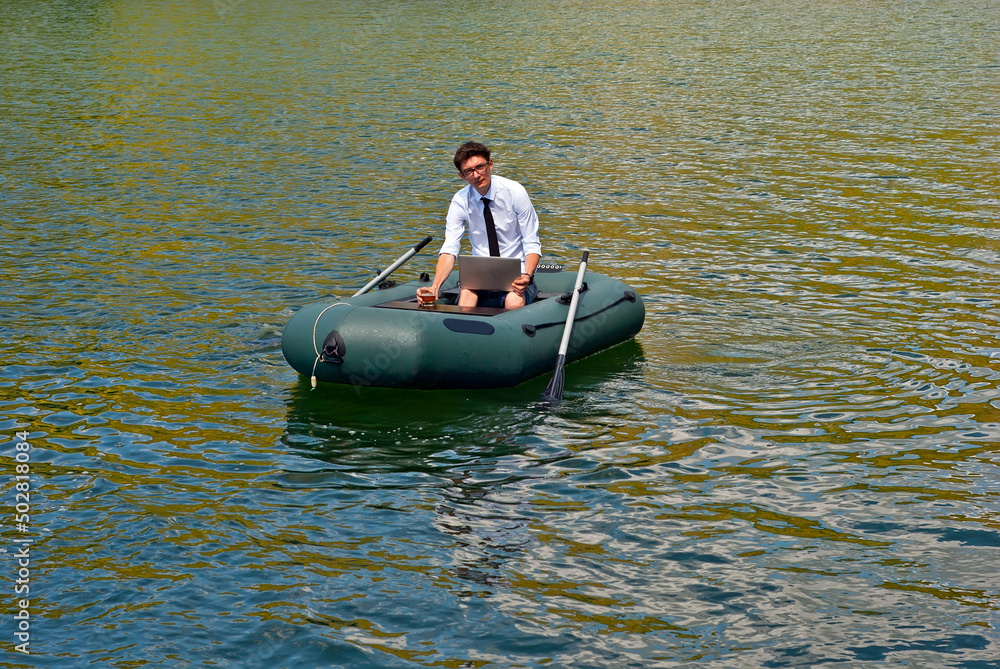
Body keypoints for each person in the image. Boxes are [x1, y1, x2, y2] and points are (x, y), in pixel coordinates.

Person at [417, 142, 541, 310]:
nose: (476, 175)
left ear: (490, 164)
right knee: (467, 295)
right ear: (462, 176)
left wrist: (527, 275)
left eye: (480, 167)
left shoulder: (515, 193)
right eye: (469, 171)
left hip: (517, 276)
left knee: (513, 301)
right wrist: (435, 286)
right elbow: (450, 248)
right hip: (480, 278)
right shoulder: (460, 201)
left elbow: (531, 241)